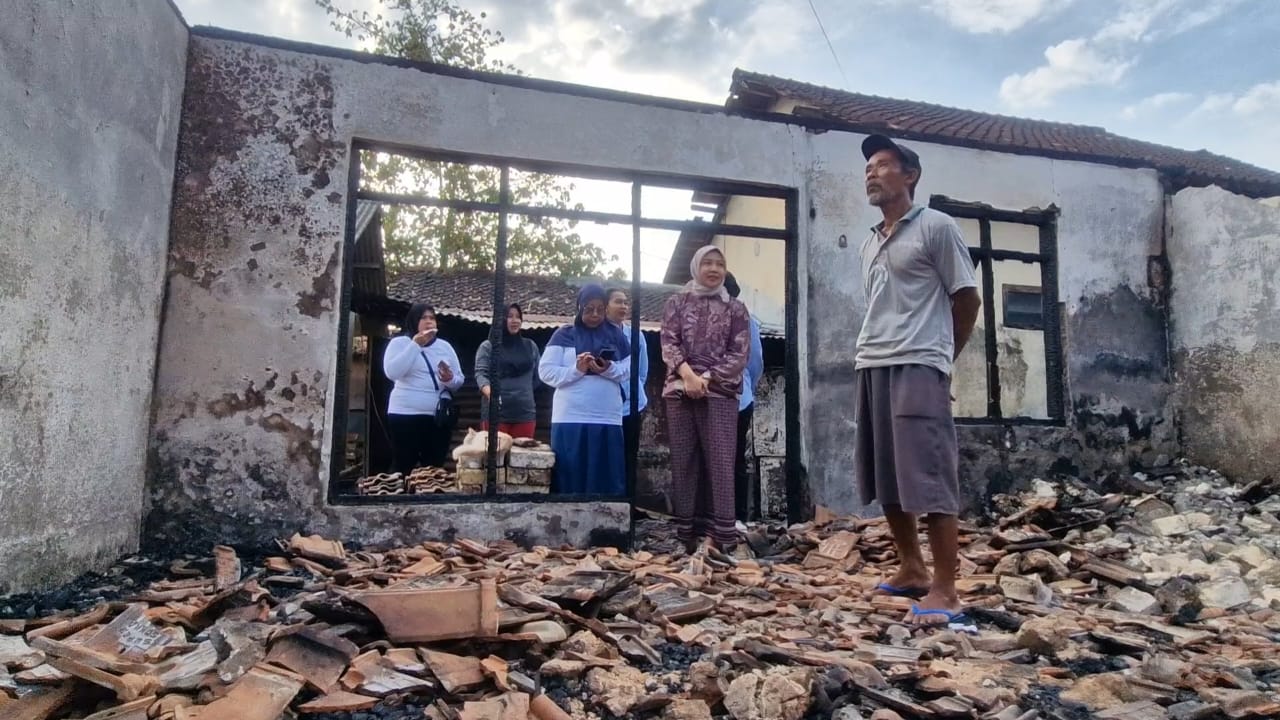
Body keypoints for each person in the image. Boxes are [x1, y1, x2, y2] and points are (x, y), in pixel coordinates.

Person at [853, 134, 981, 627]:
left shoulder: (936, 227)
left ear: (910, 176)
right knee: (886, 471)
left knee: (928, 474)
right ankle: (912, 568)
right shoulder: (869, 242)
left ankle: (946, 590)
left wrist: (943, 359)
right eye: (869, 165)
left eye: (884, 164)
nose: (872, 171)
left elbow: (966, 298)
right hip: (873, 361)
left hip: (918, 362)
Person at [661, 246, 751, 553]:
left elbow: (739, 353)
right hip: (680, 389)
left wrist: (707, 378)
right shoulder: (676, 303)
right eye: (707, 263)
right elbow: (669, 342)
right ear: (696, 267)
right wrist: (688, 376)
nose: (713, 269)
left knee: (721, 462)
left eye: (719, 264)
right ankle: (687, 535)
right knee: (684, 460)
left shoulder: (736, 309)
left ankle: (721, 537)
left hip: (720, 392)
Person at [539, 284, 631, 495]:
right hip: (570, 416)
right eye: (589, 309)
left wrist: (608, 369)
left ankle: (605, 515)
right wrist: (576, 370)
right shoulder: (564, 334)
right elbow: (545, 371)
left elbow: (629, 369)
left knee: (605, 474)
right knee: (571, 472)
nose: (595, 314)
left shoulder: (616, 336)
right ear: (579, 307)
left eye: (600, 309)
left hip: (606, 416)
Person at [383, 303, 466, 474]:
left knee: (434, 468)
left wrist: (449, 379)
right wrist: (415, 345)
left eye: (432, 318)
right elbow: (392, 372)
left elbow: (459, 381)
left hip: (437, 418)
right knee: (403, 466)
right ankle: (399, 492)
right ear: (414, 321)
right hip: (404, 415)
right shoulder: (400, 343)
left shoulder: (444, 347)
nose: (429, 322)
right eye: (423, 318)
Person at [724, 273, 764, 524]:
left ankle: (729, 517)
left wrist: (746, 384)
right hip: (740, 396)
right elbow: (756, 363)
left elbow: (754, 361)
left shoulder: (745, 320)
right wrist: (748, 384)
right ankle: (735, 517)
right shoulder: (748, 320)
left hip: (735, 397)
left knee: (730, 458)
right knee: (736, 457)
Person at [474, 303, 541, 439]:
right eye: (510, 316)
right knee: (496, 452)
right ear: (501, 320)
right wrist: (491, 394)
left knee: (522, 452)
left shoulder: (530, 346)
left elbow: (538, 377)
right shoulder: (488, 347)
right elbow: (481, 374)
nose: (515, 320)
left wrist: (523, 392)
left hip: (525, 413)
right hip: (495, 414)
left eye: (518, 317)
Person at [606, 288, 648, 475]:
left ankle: (628, 492)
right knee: (608, 456)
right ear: (605, 306)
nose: (623, 306)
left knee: (629, 456)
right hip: (606, 408)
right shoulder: (597, 334)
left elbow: (642, 372)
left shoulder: (636, 335)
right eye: (617, 301)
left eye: (625, 302)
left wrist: (632, 393)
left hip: (632, 406)